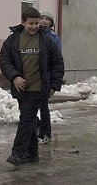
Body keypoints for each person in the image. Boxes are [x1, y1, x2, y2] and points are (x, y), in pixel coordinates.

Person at [0, 7, 65, 165]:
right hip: (21, 88)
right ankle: (32, 154)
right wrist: (14, 77)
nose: (34, 26)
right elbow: (4, 60)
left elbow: (58, 63)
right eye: (31, 23)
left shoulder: (46, 40)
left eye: (36, 23)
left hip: (38, 87)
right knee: (28, 119)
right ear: (23, 22)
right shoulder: (14, 39)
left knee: (27, 119)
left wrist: (54, 86)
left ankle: (17, 153)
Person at [36, 11, 62, 145]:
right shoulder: (35, 34)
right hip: (34, 76)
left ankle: (46, 133)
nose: (44, 21)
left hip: (46, 76)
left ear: (51, 23)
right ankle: (37, 127)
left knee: (43, 105)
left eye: (47, 19)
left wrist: (54, 82)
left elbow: (57, 60)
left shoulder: (53, 37)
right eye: (42, 18)